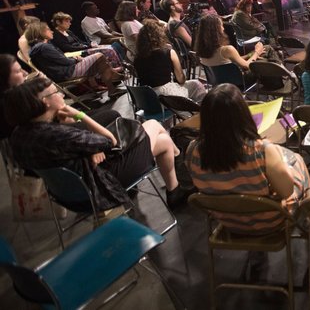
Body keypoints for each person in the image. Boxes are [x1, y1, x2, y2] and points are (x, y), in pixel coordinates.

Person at [5, 76, 190, 210]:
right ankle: (180, 181)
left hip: (68, 193)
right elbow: (109, 141)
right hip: (100, 187)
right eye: (55, 92)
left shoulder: (19, 135)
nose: (61, 94)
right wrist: (80, 115)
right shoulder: (57, 135)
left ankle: (175, 188)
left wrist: (87, 150)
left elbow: (64, 152)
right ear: (45, 102)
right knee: (153, 125)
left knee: (164, 141)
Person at [186, 84, 310, 235]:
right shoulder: (261, 150)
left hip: (227, 221)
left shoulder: (193, 150)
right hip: (270, 221)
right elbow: (287, 192)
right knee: (298, 160)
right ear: (243, 113)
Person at [26, 21, 123, 94]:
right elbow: (65, 61)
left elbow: (60, 59)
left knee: (97, 60)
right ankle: (113, 80)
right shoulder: (44, 47)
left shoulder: (40, 47)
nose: (51, 31)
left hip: (62, 71)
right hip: (66, 73)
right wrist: (76, 59)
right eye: (48, 29)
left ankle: (111, 79)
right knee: (99, 56)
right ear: (41, 32)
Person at [134, 21, 206, 101]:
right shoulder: (168, 52)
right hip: (166, 97)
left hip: (146, 99)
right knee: (197, 85)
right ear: (159, 36)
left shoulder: (137, 57)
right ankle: (201, 111)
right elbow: (181, 79)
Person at [194, 14, 275, 74]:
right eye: (221, 26)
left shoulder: (201, 52)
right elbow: (246, 66)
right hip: (239, 81)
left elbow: (233, 59)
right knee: (267, 53)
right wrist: (257, 52)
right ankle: (282, 81)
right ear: (215, 30)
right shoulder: (226, 50)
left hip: (218, 81)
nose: (223, 28)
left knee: (265, 52)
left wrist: (251, 54)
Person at [50, 12, 123, 69]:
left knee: (110, 47)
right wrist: (88, 46)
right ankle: (114, 70)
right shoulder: (56, 35)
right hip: (75, 53)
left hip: (83, 48)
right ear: (58, 22)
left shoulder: (68, 32)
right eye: (67, 21)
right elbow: (67, 48)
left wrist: (90, 44)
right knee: (107, 50)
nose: (70, 23)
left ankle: (115, 68)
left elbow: (80, 42)